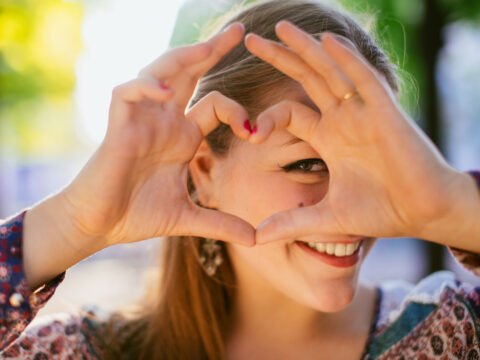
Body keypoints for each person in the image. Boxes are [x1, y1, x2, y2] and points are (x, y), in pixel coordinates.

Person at [1, 0, 480, 359]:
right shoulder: (84, 352)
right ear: (204, 171)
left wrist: (454, 207)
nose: (351, 195)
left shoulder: (458, 332)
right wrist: (74, 224)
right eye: (306, 163)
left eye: (377, 164)